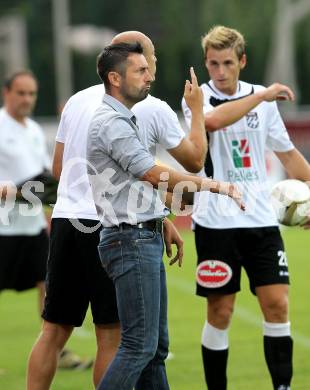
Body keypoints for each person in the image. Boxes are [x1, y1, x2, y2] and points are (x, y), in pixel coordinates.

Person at [86, 41, 247, 390]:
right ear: (115, 78)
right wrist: (215, 186)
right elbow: (154, 174)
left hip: (140, 235)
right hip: (128, 240)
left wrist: (160, 221)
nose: (149, 76)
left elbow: (139, 185)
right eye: (140, 71)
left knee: (154, 350)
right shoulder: (111, 123)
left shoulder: (123, 118)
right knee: (137, 348)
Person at [182, 25, 310, 390]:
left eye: (226, 63)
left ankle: (282, 387)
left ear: (242, 61)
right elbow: (212, 121)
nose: (219, 72)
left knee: (277, 305)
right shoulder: (197, 98)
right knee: (220, 312)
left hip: (261, 221)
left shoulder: (262, 102)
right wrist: (264, 96)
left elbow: (287, 154)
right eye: (212, 64)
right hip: (215, 222)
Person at [0, 70, 49, 315]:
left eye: (32, 94)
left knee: (48, 283)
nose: (27, 99)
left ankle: (54, 350)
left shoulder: (35, 130)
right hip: (3, 226)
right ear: (6, 93)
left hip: (33, 224)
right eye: (21, 93)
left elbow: (44, 171)